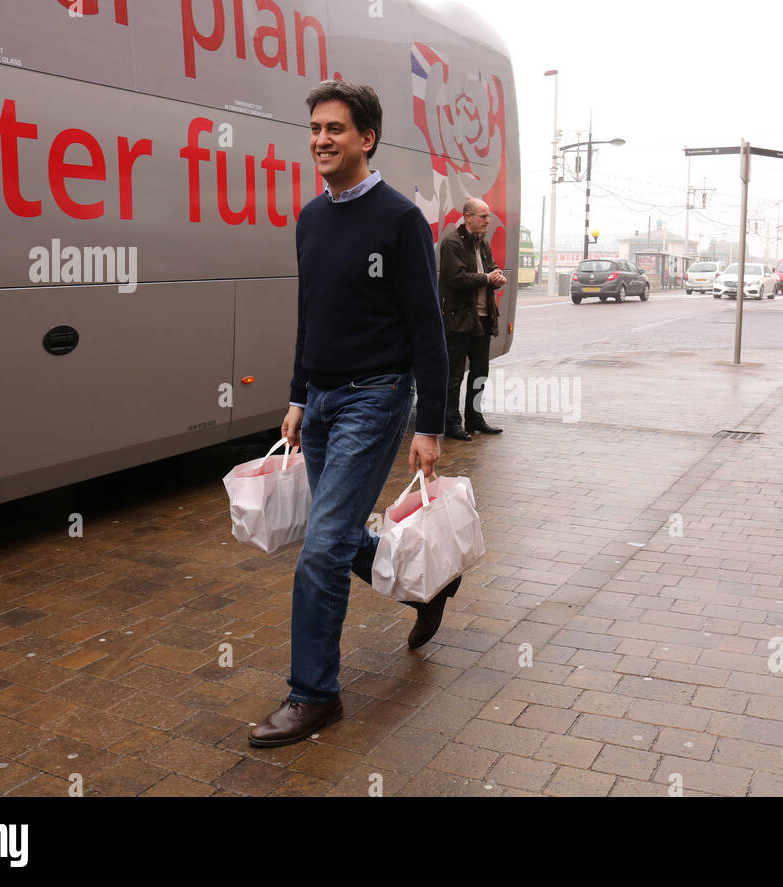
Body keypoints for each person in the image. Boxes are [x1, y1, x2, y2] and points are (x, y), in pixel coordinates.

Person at [251, 80, 457, 749]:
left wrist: (429, 425)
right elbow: (312, 317)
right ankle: (426, 587)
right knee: (331, 532)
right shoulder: (311, 218)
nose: (320, 140)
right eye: (314, 128)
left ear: (366, 138)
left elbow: (428, 328)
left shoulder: (399, 220)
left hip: (377, 395)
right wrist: (297, 395)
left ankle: (313, 693)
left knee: (321, 549)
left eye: (334, 129)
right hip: (325, 399)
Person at [440, 199, 506, 440]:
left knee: (480, 372)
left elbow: (490, 268)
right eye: (483, 216)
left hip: (483, 318)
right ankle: (451, 423)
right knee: (455, 374)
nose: (488, 221)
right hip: (459, 318)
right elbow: (455, 278)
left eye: (487, 217)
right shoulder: (451, 243)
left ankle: (475, 418)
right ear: (468, 217)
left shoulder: (483, 243)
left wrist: (496, 277)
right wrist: (486, 279)